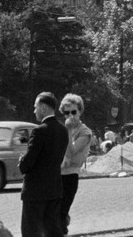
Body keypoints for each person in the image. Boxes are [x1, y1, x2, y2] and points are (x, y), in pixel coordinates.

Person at [19, 91, 69, 237]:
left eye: (35, 107)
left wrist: (21, 161)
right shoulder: (63, 130)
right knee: (53, 231)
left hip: (35, 192)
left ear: (43, 108)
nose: (34, 111)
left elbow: (28, 163)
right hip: (54, 189)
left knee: (31, 231)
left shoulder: (39, 131)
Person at [59, 93, 92, 235]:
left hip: (70, 176)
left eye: (73, 112)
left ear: (80, 111)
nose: (70, 116)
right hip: (57, 175)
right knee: (53, 214)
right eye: (66, 113)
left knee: (60, 213)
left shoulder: (85, 132)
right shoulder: (62, 129)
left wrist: (68, 130)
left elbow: (71, 152)